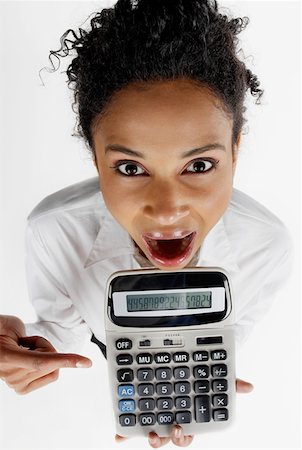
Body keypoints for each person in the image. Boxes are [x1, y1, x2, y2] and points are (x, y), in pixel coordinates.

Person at [0, 0, 293, 448]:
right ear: (95, 158)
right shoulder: (53, 231)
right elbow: (63, 329)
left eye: (199, 165)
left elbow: (222, 339)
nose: (166, 209)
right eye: (131, 168)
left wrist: (195, 376)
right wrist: (24, 344)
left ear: (235, 150)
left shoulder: (266, 247)